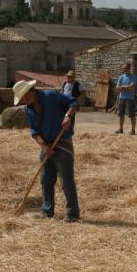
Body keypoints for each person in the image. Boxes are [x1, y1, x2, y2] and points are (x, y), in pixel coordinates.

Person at [13, 79, 80, 222]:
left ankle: (72, 213)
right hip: (46, 146)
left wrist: (68, 116)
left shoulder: (51, 96)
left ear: (29, 93)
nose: (23, 102)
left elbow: (72, 103)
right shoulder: (28, 109)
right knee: (45, 180)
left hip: (62, 143)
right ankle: (47, 211)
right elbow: (35, 132)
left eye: (23, 98)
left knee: (66, 180)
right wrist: (44, 147)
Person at [115, 62, 136, 135]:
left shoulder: (133, 77)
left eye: (126, 68)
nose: (125, 70)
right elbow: (117, 88)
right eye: (124, 68)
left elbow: (131, 87)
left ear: (129, 68)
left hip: (130, 98)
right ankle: (121, 129)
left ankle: (133, 130)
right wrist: (126, 87)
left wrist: (122, 87)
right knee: (121, 115)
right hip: (122, 98)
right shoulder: (121, 77)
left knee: (132, 115)